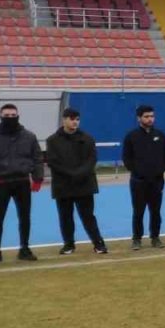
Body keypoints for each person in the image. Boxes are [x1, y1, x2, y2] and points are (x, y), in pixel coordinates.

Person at [0, 103, 44, 264]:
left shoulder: (28, 136)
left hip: (22, 182)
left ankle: (24, 249)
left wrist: (37, 178)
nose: (10, 118)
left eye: (13, 115)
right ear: (0, 116)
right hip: (0, 183)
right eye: (6, 115)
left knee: (25, 217)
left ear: (18, 116)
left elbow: (37, 158)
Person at [45, 108, 106, 255]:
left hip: (84, 183)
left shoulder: (87, 138)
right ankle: (68, 245)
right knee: (65, 216)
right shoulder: (52, 140)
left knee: (88, 216)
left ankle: (98, 243)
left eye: (77, 119)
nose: (75, 122)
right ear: (64, 120)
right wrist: (70, 174)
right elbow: (53, 162)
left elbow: (92, 159)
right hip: (63, 184)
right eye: (72, 119)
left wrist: (80, 173)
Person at [123, 105, 165, 251]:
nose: (150, 119)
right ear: (139, 118)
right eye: (146, 117)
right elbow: (126, 158)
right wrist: (137, 172)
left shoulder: (160, 135)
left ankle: (155, 237)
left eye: (152, 116)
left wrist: (160, 171)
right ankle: (137, 239)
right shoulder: (131, 136)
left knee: (155, 211)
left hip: (156, 181)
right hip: (138, 181)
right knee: (138, 212)